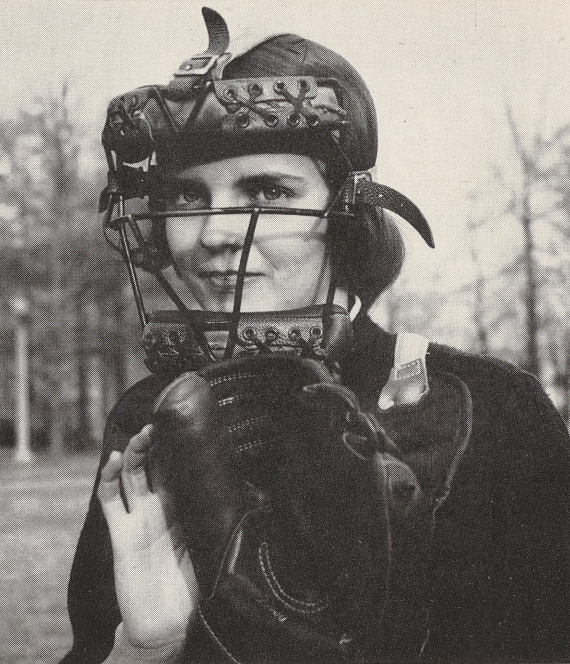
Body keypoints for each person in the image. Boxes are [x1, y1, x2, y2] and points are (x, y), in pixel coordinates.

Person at [62, 8, 570, 664]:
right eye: (188, 197)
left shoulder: (488, 411)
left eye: (266, 190)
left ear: (350, 213)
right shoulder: (149, 417)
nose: (215, 234)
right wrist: (144, 647)